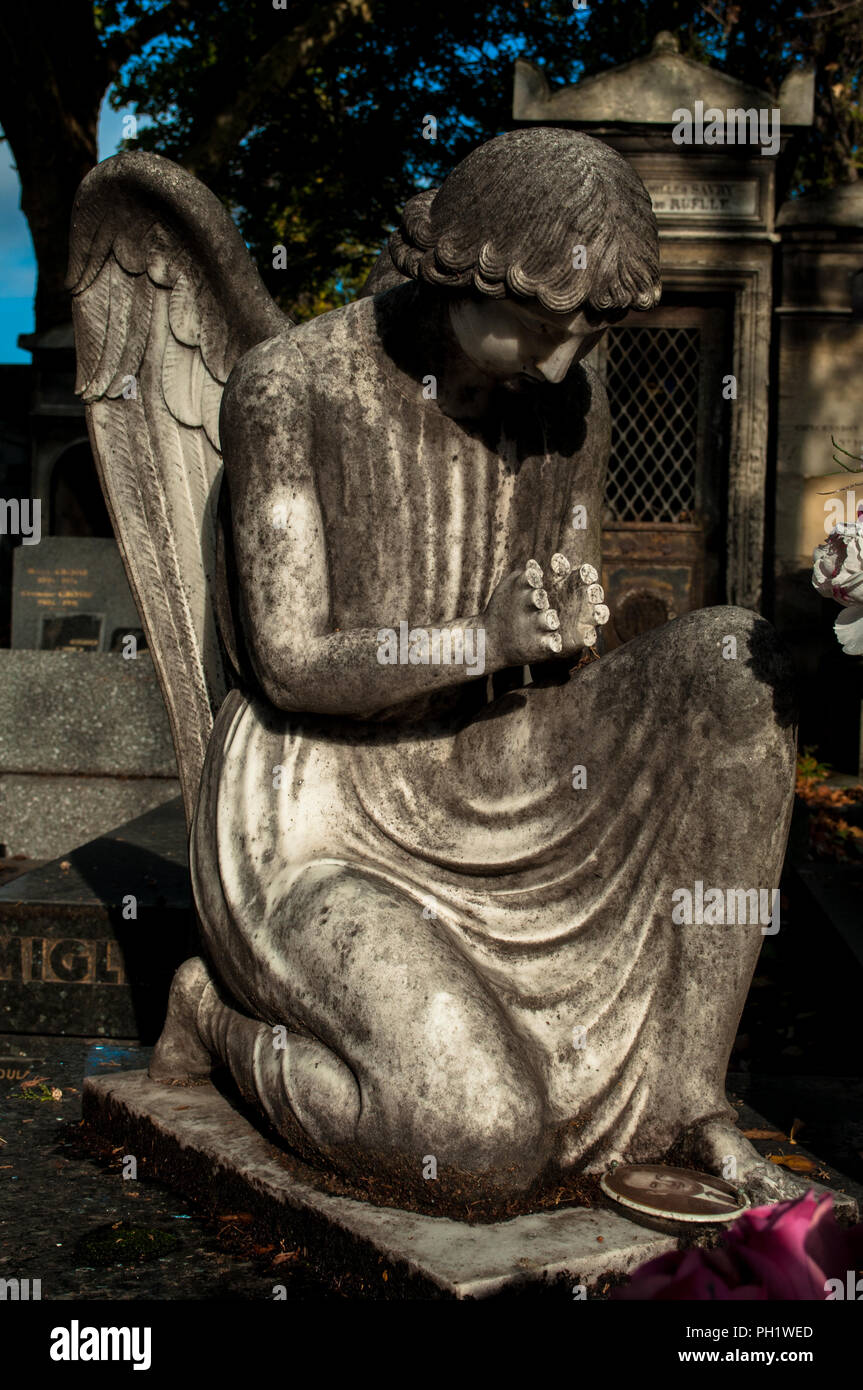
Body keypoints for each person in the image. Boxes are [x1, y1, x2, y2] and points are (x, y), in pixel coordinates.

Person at [151, 129, 802, 1206]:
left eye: (585, 336)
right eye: (539, 330)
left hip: (503, 764)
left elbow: (558, 612)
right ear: (459, 267)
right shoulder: (290, 386)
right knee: (477, 1140)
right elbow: (291, 661)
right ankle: (211, 1019)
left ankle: (685, 1098)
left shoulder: (565, 400)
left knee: (738, 664)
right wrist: (479, 638)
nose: (560, 364)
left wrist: (563, 622)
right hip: (324, 806)